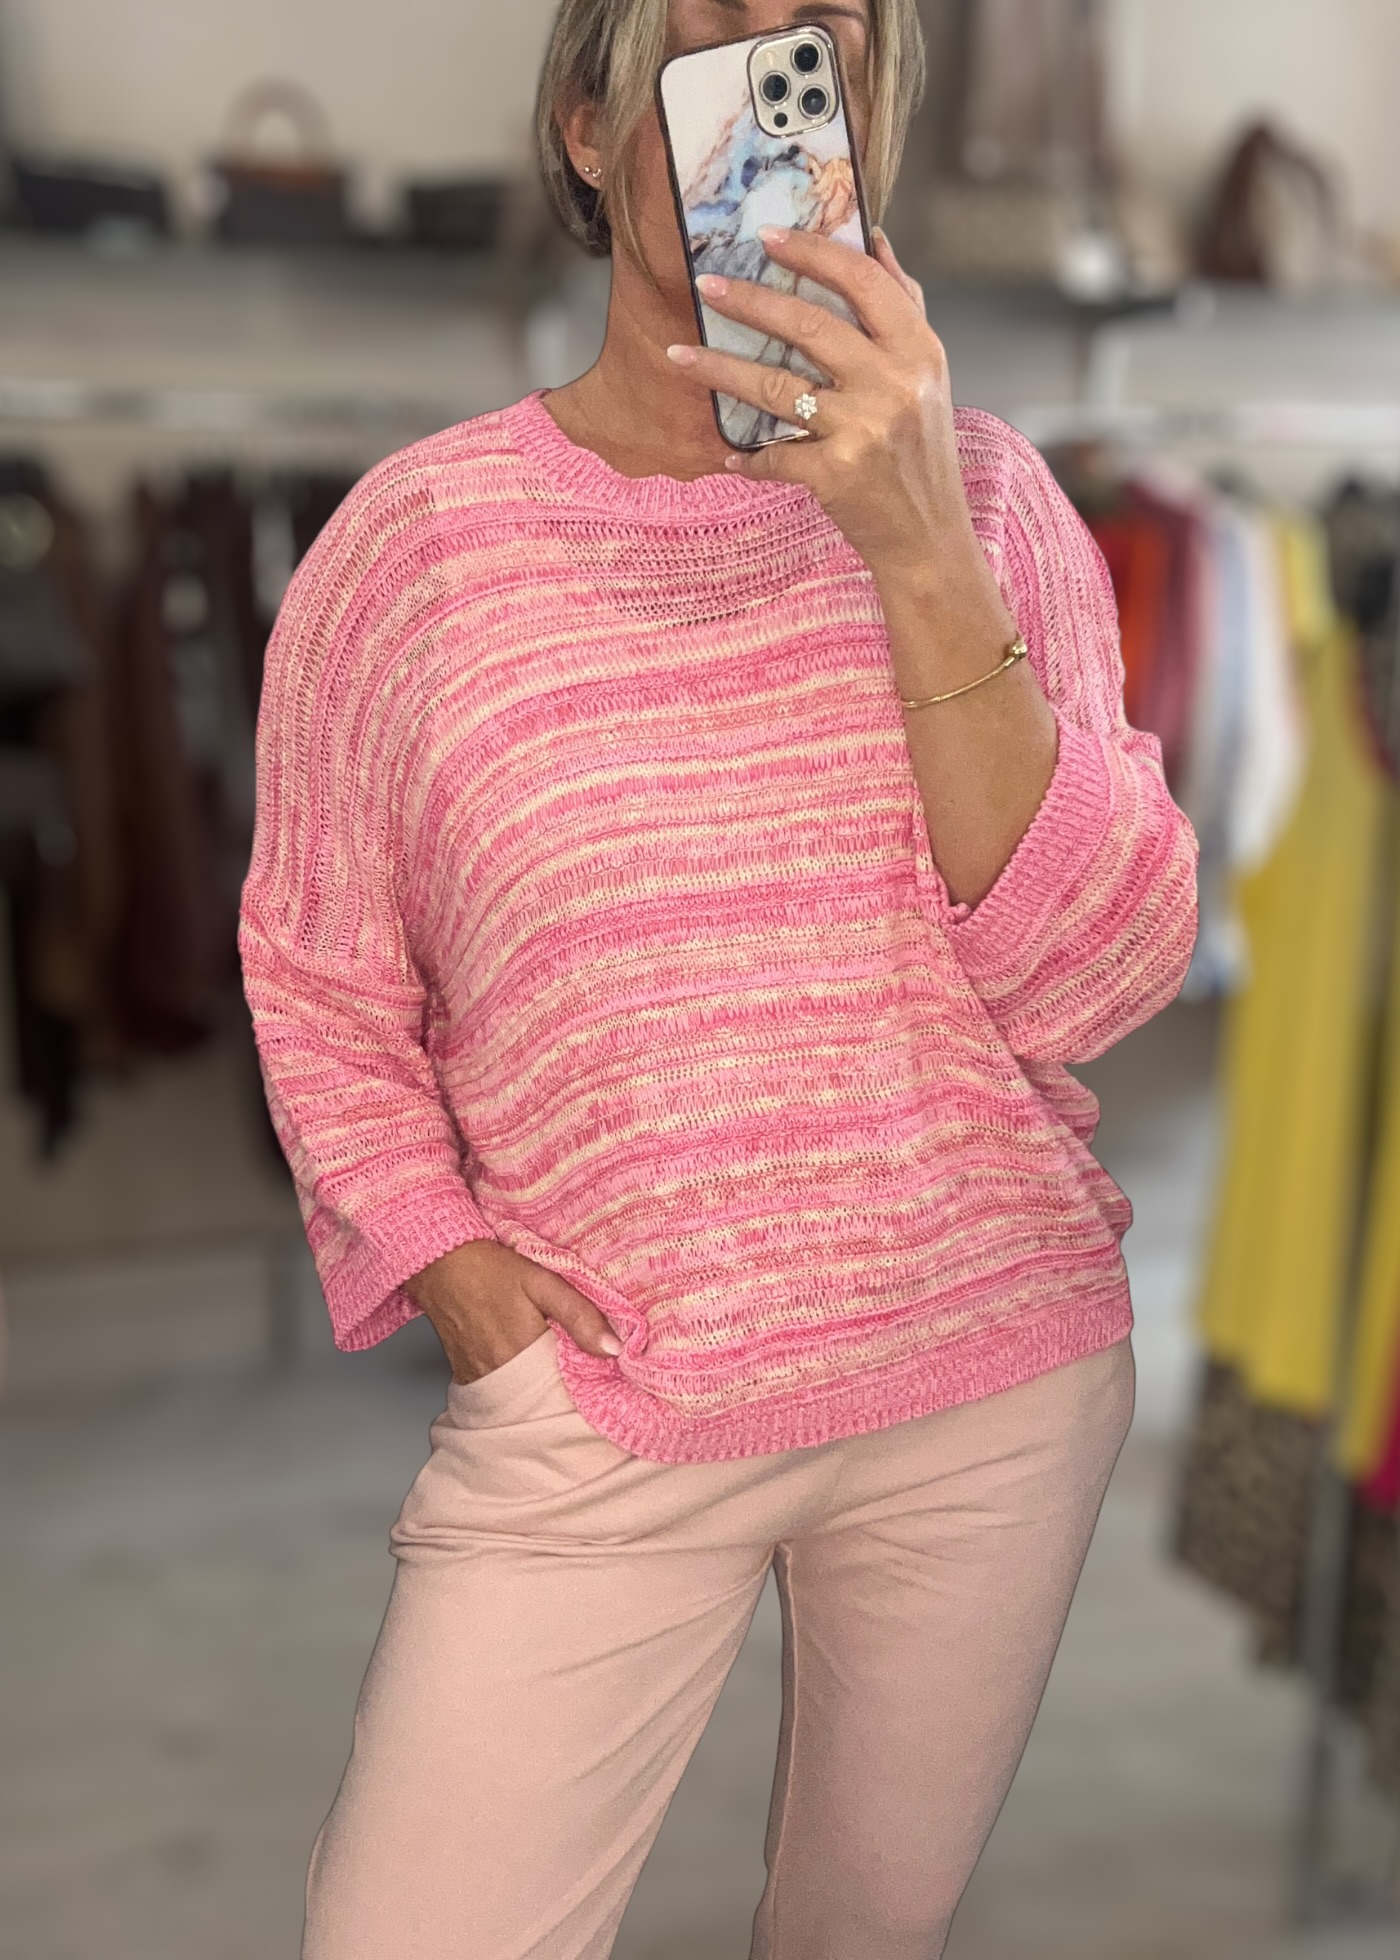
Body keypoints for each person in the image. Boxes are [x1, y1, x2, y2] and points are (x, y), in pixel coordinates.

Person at [237, 1, 1199, 1953]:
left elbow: (1101, 975)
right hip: (603, 1392)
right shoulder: (413, 548)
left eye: (810, 39)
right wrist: (448, 1262)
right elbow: (319, 975)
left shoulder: (991, 503)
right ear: (588, 127)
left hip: (981, 1375)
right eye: (703, 36)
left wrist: (916, 543)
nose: (761, 59)